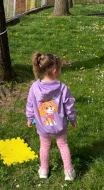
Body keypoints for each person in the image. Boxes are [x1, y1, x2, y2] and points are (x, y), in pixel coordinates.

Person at [26, 52, 78, 181]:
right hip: (60, 126)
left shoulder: (34, 87)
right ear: (55, 71)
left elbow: (30, 104)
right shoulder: (63, 88)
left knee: (44, 146)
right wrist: (72, 119)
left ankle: (43, 170)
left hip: (42, 126)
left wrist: (29, 118)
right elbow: (69, 106)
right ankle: (69, 172)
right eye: (60, 69)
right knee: (63, 145)